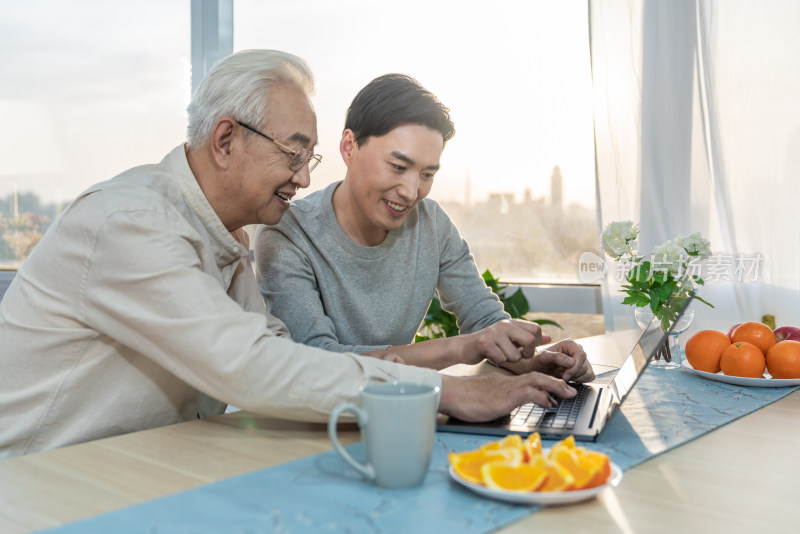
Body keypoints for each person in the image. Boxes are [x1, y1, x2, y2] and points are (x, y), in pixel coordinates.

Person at [0, 51, 580, 459]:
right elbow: (257, 369)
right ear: (226, 139)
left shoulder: (225, 240)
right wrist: (450, 390)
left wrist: (498, 361)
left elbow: (277, 353)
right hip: (38, 483)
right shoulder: (131, 222)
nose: (303, 178)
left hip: (133, 468)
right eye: (292, 153)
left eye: (309, 157)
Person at [255, 73, 594, 381]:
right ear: (349, 147)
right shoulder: (287, 233)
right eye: (398, 166)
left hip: (399, 411)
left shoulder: (430, 224)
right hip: (311, 425)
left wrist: (538, 361)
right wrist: (462, 348)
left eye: (428, 174)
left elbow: (484, 319)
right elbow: (318, 362)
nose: (411, 191)